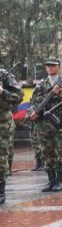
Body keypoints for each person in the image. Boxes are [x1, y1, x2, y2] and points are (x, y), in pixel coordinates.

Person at [29, 58, 62, 193]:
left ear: (59, 67)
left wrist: (60, 94)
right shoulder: (41, 84)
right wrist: (32, 112)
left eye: (53, 66)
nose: (50, 68)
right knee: (46, 152)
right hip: (43, 124)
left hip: (59, 123)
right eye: (48, 66)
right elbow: (33, 102)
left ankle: (60, 180)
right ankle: (51, 180)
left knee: (60, 152)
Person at [0, 67, 23, 204]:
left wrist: (3, 92)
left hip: (2, 123)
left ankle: (1, 190)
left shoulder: (4, 75)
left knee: (1, 157)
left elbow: (19, 97)